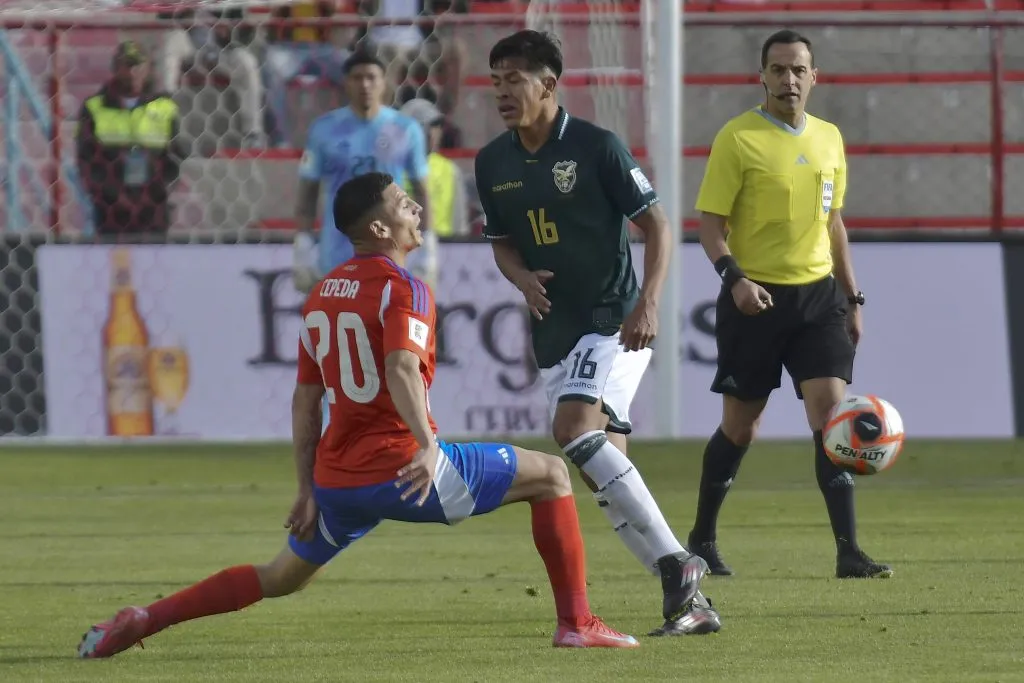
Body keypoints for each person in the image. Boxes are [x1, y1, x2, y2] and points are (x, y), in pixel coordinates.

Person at [77, 172, 641, 658]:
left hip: (339, 481)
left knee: (280, 577)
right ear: (379, 229)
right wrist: (426, 445)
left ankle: (144, 619)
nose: (416, 209)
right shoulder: (405, 289)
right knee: (553, 475)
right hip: (404, 468)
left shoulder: (323, 292)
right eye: (403, 205)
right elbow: (399, 369)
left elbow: (305, 399)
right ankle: (576, 625)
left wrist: (306, 488)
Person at [473, 30, 720, 636]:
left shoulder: (595, 146)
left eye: (515, 80)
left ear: (548, 85)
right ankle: (688, 602)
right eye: (496, 81)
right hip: (554, 330)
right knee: (599, 467)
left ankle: (681, 563)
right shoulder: (493, 162)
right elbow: (503, 243)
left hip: (612, 320)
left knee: (572, 432)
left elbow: (658, 226)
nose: (502, 92)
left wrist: (649, 304)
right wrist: (523, 277)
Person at [687, 29, 889, 580]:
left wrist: (853, 298)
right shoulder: (738, 138)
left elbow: (834, 224)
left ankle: (849, 551)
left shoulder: (829, 138)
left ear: (814, 76)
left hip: (819, 296)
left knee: (830, 417)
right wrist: (736, 281)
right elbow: (710, 226)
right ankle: (701, 538)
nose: (788, 79)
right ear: (762, 76)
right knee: (741, 427)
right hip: (755, 298)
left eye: (798, 69)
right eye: (778, 69)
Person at [292, 50, 433, 295]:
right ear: (346, 83)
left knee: (386, 329)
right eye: (357, 77)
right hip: (336, 257)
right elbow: (308, 191)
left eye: (371, 77)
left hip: (390, 255)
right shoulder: (323, 130)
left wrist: (429, 246)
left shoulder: (405, 129)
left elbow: (421, 190)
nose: (365, 84)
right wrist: (302, 245)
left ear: (383, 82)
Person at [76, 41, 185, 237]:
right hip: (110, 207)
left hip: (153, 205)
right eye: (127, 65)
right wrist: (112, 195)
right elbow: (86, 159)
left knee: (154, 261)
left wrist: (156, 191)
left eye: (138, 65)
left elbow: (176, 156)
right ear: (115, 68)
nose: (132, 71)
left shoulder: (165, 108)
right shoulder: (94, 107)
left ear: (148, 69)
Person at [400, 98, 469, 239]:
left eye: (435, 126)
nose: (431, 133)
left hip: (443, 250)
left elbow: (459, 223)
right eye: (423, 127)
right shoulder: (391, 168)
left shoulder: (449, 170)